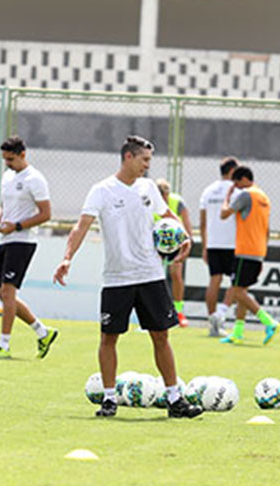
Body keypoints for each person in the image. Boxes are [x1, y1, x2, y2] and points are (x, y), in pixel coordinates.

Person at [53, 135, 203, 419]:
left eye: (149, 160)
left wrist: (183, 236)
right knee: (109, 338)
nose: (148, 166)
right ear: (128, 157)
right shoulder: (102, 190)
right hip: (117, 279)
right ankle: (109, 399)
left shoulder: (148, 188)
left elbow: (167, 215)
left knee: (161, 335)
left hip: (150, 275)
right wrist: (67, 258)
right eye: (144, 160)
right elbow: (81, 226)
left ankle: (175, 399)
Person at [0, 136, 58, 360]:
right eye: (5, 159)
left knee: (8, 292)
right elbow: (4, 206)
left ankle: (4, 344)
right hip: (5, 239)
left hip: (23, 241)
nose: (7, 163)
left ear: (23, 154)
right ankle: (43, 332)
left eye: (11, 159)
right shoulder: (8, 176)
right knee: (4, 294)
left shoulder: (35, 179)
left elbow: (46, 214)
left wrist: (16, 226)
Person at [219, 165, 280, 346]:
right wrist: (263, 252)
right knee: (242, 292)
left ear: (245, 179)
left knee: (237, 291)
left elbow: (224, 214)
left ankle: (269, 322)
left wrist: (228, 197)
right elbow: (266, 228)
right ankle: (238, 332)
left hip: (245, 250)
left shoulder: (246, 195)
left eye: (237, 183)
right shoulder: (264, 197)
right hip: (258, 250)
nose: (236, 186)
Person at [199, 157, 239, 337]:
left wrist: (205, 245)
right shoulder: (236, 191)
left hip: (213, 243)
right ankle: (221, 315)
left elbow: (202, 222)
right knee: (237, 282)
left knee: (214, 280)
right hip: (232, 243)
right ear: (231, 172)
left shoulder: (208, 191)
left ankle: (212, 321)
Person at [155, 178, 192, 327]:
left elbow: (187, 223)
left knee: (176, 274)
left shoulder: (177, 202)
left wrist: (186, 240)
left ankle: (179, 312)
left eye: (165, 195)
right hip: (156, 244)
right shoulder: (150, 203)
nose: (163, 199)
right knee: (154, 278)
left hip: (176, 243)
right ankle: (157, 312)